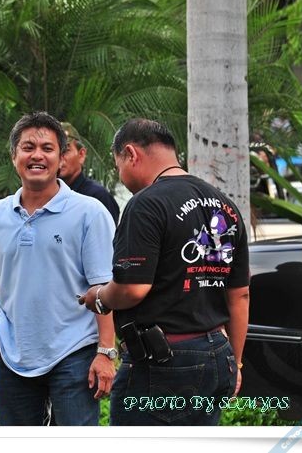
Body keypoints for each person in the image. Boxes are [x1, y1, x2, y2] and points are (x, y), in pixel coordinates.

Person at [78, 118, 250, 426]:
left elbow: (132, 289)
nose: (121, 176)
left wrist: (100, 297)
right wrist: (235, 363)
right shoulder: (225, 205)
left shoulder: (146, 204)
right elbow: (240, 295)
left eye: (118, 166)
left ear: (131, 154)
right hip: (217, 355)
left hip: (165, 362)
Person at [0, 111, 117, 426]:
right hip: (12, 354)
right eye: (28, 147)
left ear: (61, 158)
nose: (37, 155)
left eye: (47, 148)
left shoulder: (89, 213)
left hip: (74, 351)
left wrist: (106, 351)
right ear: (14, 157)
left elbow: (103, 289)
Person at [59, 122, 120, 224]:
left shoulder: (97, 197)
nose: (60, 157)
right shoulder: (46, 196)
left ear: (81, 155)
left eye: (65, 151)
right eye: (52, 150)